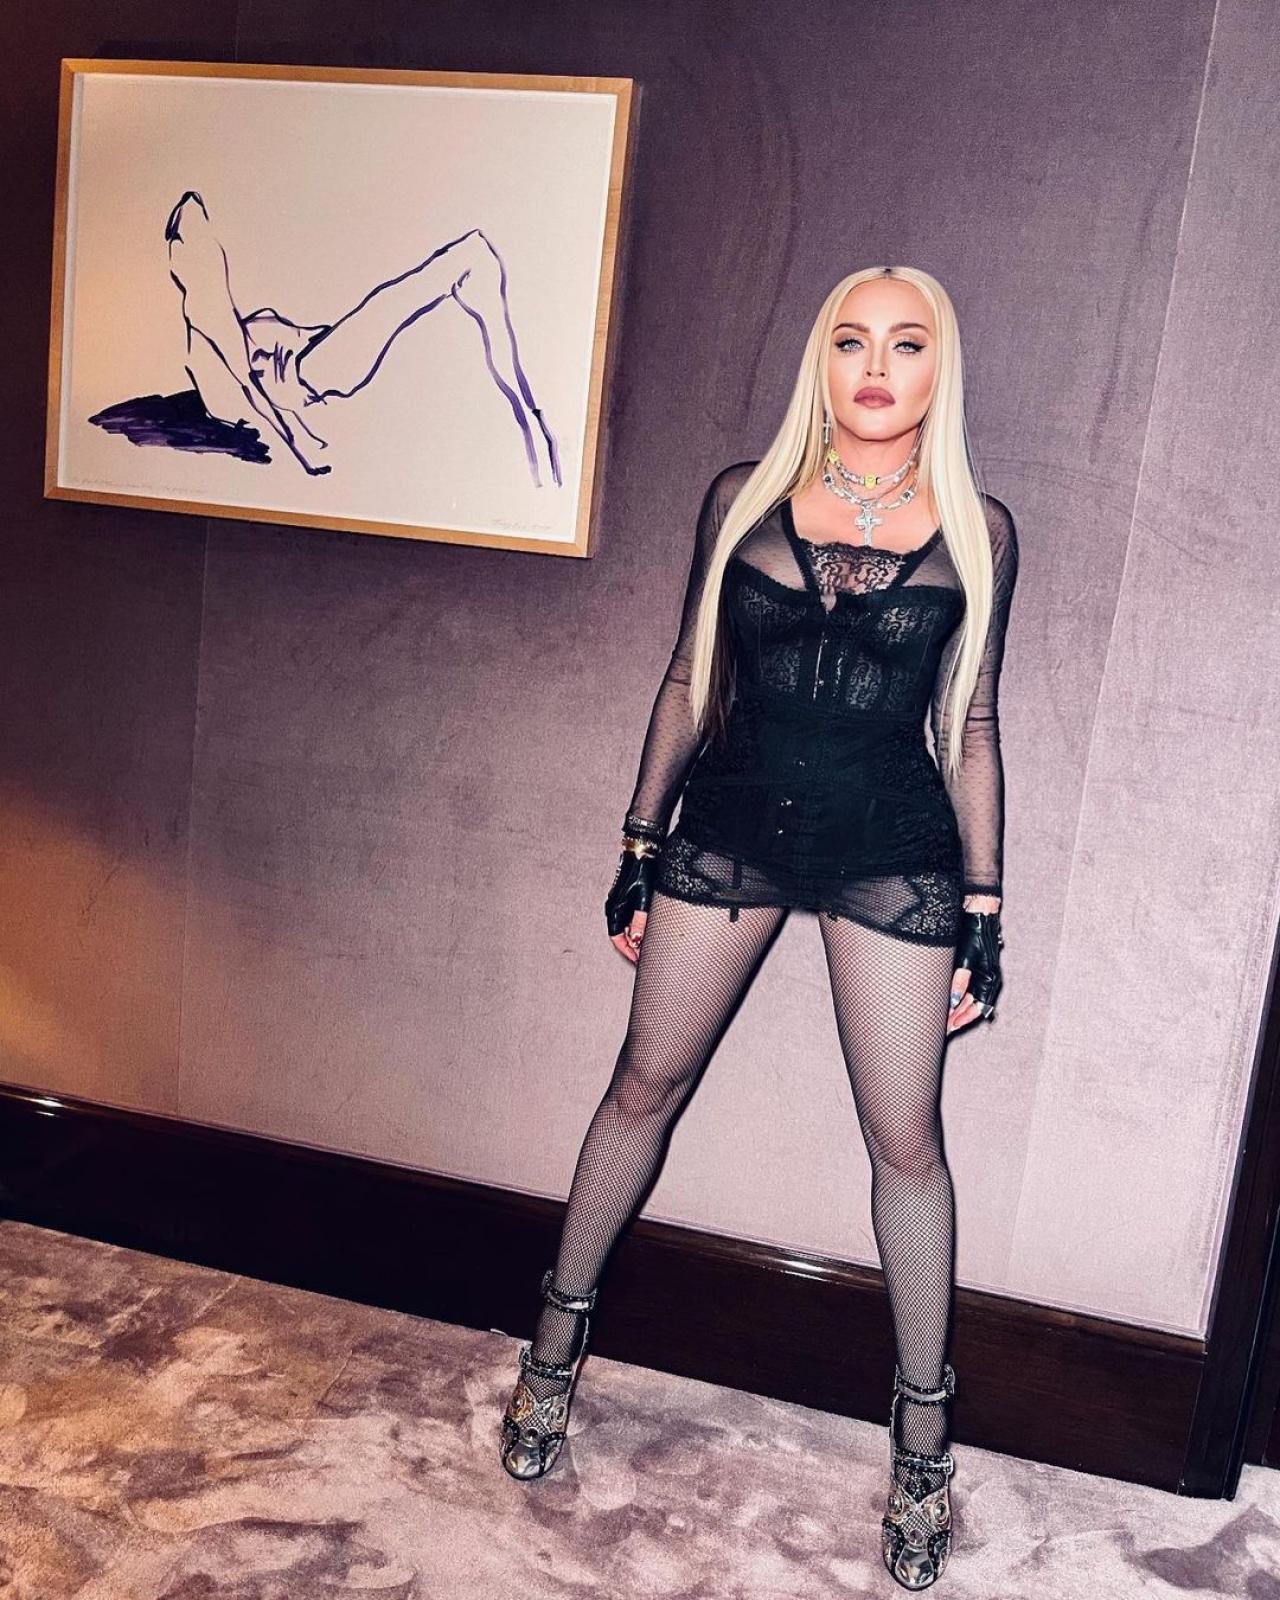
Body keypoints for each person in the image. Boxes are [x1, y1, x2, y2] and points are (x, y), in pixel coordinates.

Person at [499, 264, 1018, 1592]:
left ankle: (923, 1443)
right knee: (642, 1085)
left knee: (907, 1144)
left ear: (939, 368)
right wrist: (637, 843)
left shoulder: (981, 529)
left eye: (906, 344)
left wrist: (983, 913)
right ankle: (552, 1352)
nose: (876, 367)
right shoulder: (742, 496)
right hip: (728, 823)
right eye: (852, 341)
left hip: (891, 847)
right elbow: (688, 677)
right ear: (821, 360)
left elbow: (971, 728)